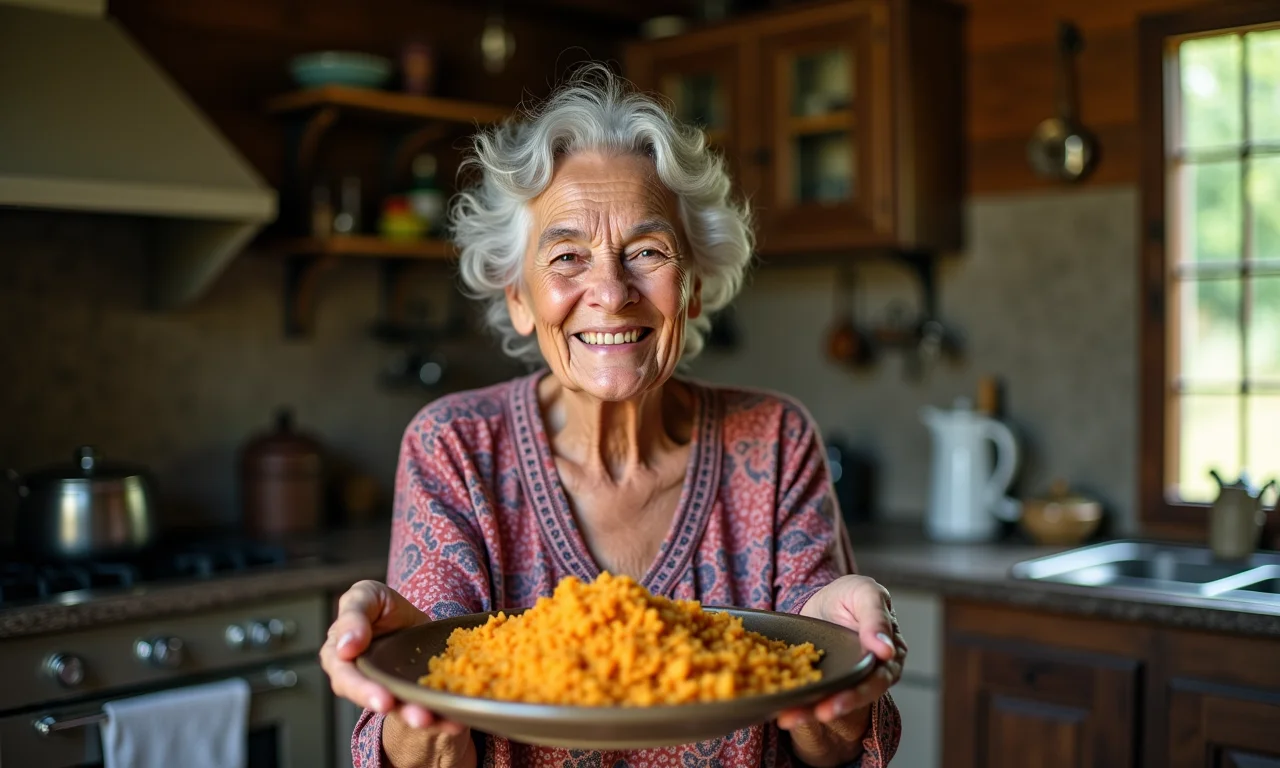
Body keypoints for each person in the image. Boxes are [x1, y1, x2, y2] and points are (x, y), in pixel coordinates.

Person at [320, 64, 907, 768]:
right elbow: (426, 753)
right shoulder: (456, 446)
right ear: (518, 297)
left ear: (691, 287)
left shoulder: (775, 439)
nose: (610, 290)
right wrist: (409, 685)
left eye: (647, 253)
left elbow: (832, 750)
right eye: (567, 256)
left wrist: (838, 666)